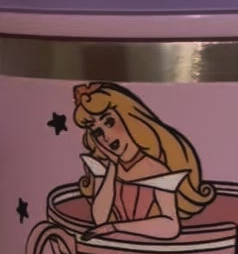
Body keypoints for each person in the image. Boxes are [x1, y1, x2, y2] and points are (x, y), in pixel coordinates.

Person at [72, 82, 215, 241]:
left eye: (109, 123)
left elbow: (171, 225)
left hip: (150, 247)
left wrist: (116, 227)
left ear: (129, 119)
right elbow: (100, 219)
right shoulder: (104, 169)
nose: (106, 136)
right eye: (97, 132)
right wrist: (112, 167)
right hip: (116, 247)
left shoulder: (157, 170)